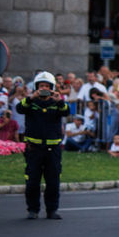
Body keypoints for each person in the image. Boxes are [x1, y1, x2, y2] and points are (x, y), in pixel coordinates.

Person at [17, 72, 70, 220]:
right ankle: (33, 210)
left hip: (52, 150)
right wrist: (30, 97)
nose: (44, 88)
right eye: (41, 86)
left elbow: (66, 111)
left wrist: (59, 100)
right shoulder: (31, 103)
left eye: (47, 86)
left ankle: (51, 210)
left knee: (53, 182)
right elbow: (19, 108)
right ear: (36, 87)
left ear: (52, 88)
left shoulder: (57, 103)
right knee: (32, 181)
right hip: (34, 150)